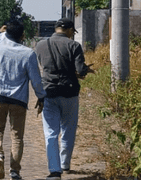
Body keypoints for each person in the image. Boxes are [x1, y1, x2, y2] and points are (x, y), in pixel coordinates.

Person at [0, 19, 46, 180]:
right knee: (17, 136)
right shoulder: (28, 53)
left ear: (6, 32)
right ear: (22, 35)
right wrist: (41, 97)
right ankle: (14, 171)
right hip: (19, 101)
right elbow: (36, 81)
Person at [34, 18, 94, 179]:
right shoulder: (73, 46)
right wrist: (85, 70)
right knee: (68, 129)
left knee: (51, 132)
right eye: (72, 32)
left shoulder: (40, 45)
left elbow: (42, 66)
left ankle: (54, 169)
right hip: (69, 92)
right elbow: (80, 70)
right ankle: (65, 163)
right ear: (69, 30)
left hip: (49, 92)